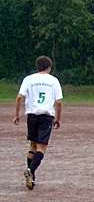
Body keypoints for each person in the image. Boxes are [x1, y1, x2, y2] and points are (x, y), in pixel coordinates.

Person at [13, 56, 63, 190]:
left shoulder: (28, 79)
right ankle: (30, 170)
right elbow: (58, 102)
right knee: (42, 148)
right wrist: (58, 119)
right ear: (49, 68)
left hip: (32, 116)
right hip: (46, 116)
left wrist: (17, 115)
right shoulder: (53, 81)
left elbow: (19, 97)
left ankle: (32, 177)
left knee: (32, 146)